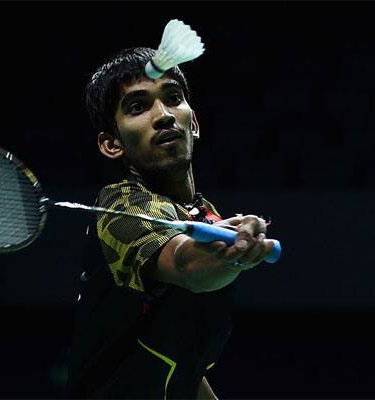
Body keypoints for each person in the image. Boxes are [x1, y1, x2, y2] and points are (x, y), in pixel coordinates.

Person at [65, 47, 276, 399]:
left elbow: (182, 365)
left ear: (193, 123)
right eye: (138, 106)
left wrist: (227, 253)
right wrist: (229, 256)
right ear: (111, 144)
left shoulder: (205, 214)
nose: (163, 115)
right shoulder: (120, 208)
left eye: (173, 98)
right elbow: (186, 264)